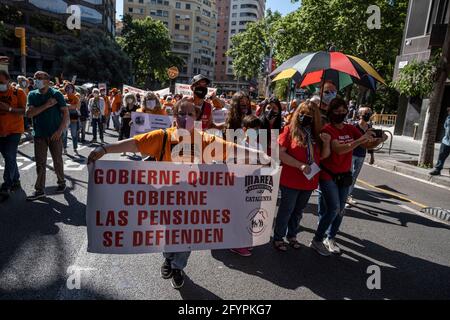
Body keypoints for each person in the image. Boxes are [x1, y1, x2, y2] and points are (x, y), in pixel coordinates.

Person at [87, 98, 268, 289]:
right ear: (174, 116)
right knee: (167, 233)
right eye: (181, 113)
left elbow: (232, 149)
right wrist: (104, 149)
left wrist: (259, 156)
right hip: (166, 199)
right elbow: (134, 144)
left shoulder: (205, 139)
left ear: (196, 117)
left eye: (190, 113)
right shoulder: (163, 137)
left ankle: (177, 267)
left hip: (194, 201)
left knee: (186, 238)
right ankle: (167, 258)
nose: (185, 117)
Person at [309, 98, 379, 256]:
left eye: (343, 111)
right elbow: (339, 149)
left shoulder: (349, 128)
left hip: (345, 176)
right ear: (331, 112)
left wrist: (377, 140)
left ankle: (331, 238)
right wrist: (361, 139)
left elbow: (366, 145)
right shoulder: (327, 130)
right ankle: (317, 240)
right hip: (328, 175)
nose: (341, 114)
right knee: (333, 208)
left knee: (340, 210)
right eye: (337, 111)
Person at [274, 100, 331, 251]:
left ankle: (292, 235)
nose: (305, 117)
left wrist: (326, 143)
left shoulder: (317, 135)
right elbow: (280, 154)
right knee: (286, 210)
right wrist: (300, 165)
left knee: (298, 211)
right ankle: (278, 237)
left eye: (310, 114)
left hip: (309, 180)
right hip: (291, 179)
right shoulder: (289, 130)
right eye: (302, 113)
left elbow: (324, 156)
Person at [25, 71, 69, 201]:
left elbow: (66, 114)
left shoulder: (56, 94)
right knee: (40, 163)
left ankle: (61, 182)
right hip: (39, 134)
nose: (36, 80)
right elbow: (29, 114)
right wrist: (47, 105)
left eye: (39, 78)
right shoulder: (32, 95)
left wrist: (60, 131)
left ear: (47, 80)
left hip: (55, 134)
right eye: (35, 78)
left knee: (57, 160)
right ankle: (39, 190)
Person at [347, 106, 387, 207]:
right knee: (349, 175)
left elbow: (370, 143)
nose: (368, 115)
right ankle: (346, 196)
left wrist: (372, 155)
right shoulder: (353, 127)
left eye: (370, 113)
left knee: (354, 176)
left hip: (361, 155)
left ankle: (348, 194)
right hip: (351, 154)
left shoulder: (370, 128)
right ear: (359, 115)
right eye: (366, 113)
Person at [0, 70, 26, 200]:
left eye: (1, 82)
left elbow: (24, 111)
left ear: (9, 82)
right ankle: (15, 180)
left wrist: (9, 108)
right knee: (8, 157)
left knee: (10, 156)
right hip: (1, 131)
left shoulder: (18, 92)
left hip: (14, 131)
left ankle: (6, 186)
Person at [430, 106, 450, 176]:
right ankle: (437, 170)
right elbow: (445, 126)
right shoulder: (448, 118)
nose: (448, 113)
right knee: (441, 156)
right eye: (448, 111)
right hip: (446, 141)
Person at [62, 82, 80, 155]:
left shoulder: (76, 97)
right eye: (68, 87)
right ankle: (65, 149)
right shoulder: (63, 97)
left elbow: (76, 107)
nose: (69, 89)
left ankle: (75, 148)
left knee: (74, 134)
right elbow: (62, 106)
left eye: (71, 88)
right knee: (64, 134)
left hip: (73, 117)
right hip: (65, 117)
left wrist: (67, 105)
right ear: (65, 89)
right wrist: (70, 106)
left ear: (73, 89)